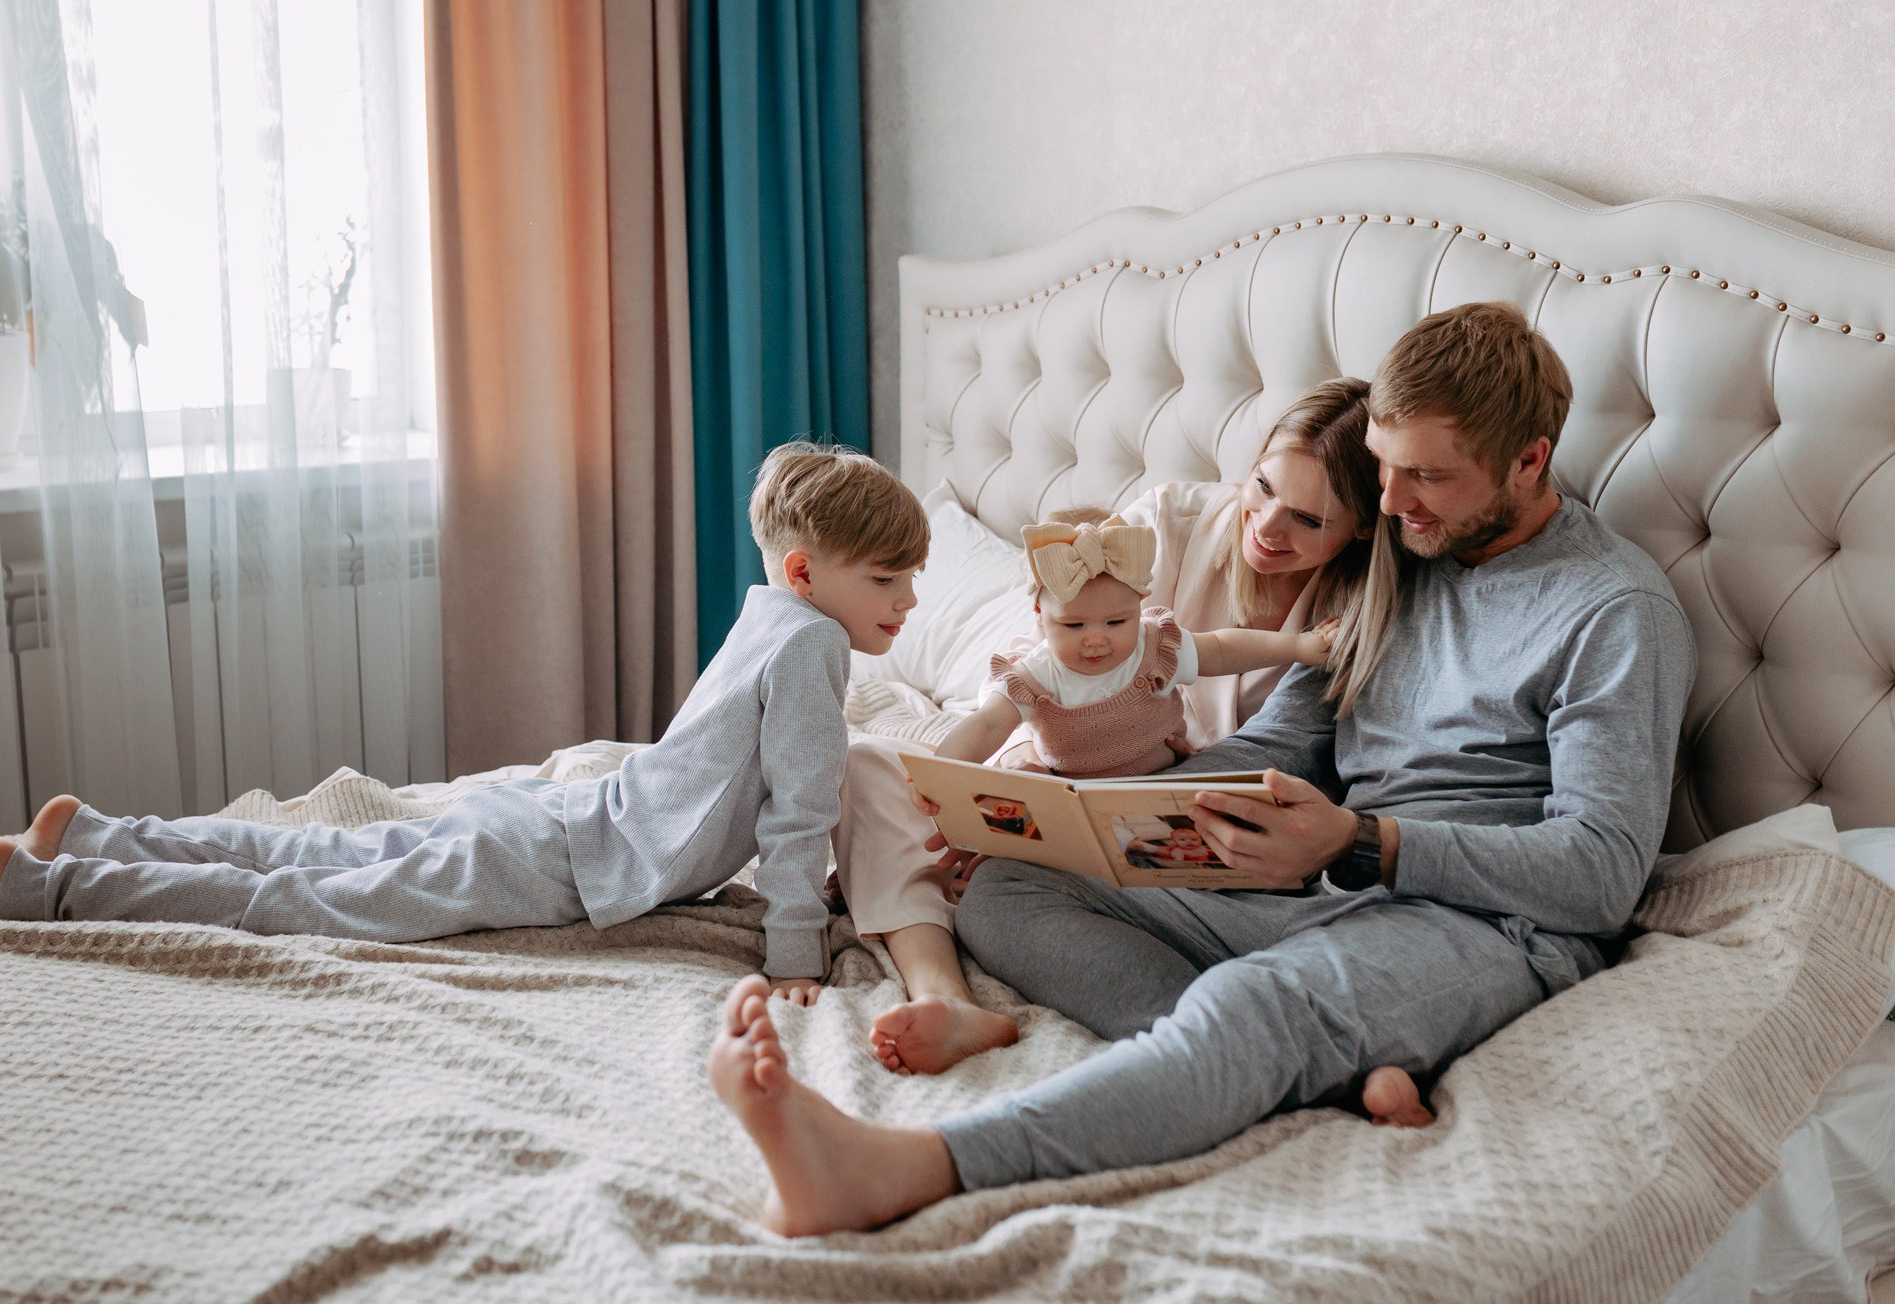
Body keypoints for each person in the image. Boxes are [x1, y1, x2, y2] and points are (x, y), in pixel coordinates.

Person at [710, 301, 1698, 1236]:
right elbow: (1281, 743)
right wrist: (1094, 816)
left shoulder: (1614, 611)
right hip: (1321, 886)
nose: (1392, 503)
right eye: (1386, 468)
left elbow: (1602, 872)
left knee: (1254, 1005)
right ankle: (1301, 1062)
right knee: (1009, 884)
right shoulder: (1404, 561)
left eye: (1426, 477)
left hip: (1483, 921)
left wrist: (1361, 842)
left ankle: (905, 1165)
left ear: (1529, 460)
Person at [0, 442, 928, 1004]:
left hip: (554, 819)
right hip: (563, 862)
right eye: (887, 579)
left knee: (322, 854)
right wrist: (794, 954)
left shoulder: (769, 616)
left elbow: (757, 784)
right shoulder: (813, 645)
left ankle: (94, 831)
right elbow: (797, 809)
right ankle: (42, 884)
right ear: (805, 571)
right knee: (313, 902)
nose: (909, 601)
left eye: (916, 578)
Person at [830, 377, 1398, 1075]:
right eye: (1262, 487)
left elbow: (1292, 741)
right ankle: (947, 997)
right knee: (870, 768)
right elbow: (1044, 665)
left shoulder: (1359, 612)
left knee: (1001, 889)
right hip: (1065, 786)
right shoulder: (1160, 528)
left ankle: (1235, 1037)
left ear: (1362, 526)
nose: (1269, 526)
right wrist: (1006, 787)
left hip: (1192, 830)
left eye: (1308, 520)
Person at [916, 506, 1337, 785]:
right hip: (1074, 798)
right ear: (1039, 617)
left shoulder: (1153, 646)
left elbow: (1223, 649)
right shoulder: (1037, 676)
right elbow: (987, 726)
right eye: (1073, 624)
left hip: (1163, 781)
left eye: (1117, 621)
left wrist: (1298, 647)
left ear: (1140, 605)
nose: (1096, 639)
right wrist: (937, 774)